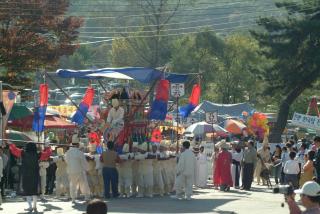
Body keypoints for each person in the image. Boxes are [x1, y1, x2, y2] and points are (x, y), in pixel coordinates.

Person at [9, 142, 51, 212]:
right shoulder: (38, 154)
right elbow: (47, 154)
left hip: (26, 175)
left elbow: (14, 150)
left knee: (27, 192)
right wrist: (48, 147)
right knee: (34, 191)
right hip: (35, 175)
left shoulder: (22, 153)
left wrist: (11, 144)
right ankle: (35, 206)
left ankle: (30, 206)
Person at [65, 138, 91, 203]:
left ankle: (73, 198)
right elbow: (83, 162)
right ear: (77, 144)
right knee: (83, 184)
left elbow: (66, 161)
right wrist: (87, 169)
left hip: (71, 170)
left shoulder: (67, 153)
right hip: (79, 170)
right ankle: (86, 197)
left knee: (72, 184)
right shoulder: (79, 153)